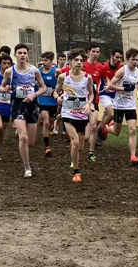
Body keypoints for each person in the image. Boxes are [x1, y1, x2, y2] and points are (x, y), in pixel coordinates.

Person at [2, 43, 48, 177]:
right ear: (15, 55)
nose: (22, 55)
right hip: (18, 106)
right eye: (20, 53)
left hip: (32, 107)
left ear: (27, 55)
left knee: (31, 142)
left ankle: (21, 132)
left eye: (24, 53)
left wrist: (33, 95)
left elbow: (43, 87)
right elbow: (1, 87)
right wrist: (5, 89)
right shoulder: (9, 71)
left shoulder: (34, 70)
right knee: (23, 138)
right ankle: (27, 167)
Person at [55, 49, 96, 183]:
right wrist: (58, 98)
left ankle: (75, 160)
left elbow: (91, 94)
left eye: (81, 60)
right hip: (68, 112)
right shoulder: (63, 77)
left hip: (82, 113)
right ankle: (76, 172)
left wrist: (89, 103)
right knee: (75, 141)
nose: (79, 62)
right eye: (76, 60)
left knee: (81, 147)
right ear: (70, 61)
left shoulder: (87, 78)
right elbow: (56, 91)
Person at [107, 48, 138, 163]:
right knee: (116, 132)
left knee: (133, 130)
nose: (135, 62)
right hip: (119, 105)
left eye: (136, 60)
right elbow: (110, 85)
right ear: (127, 59)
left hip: (130, 105)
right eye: (133, 59)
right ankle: (106, 128)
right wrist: (124, 88)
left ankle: (133, 156)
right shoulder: (122, 71)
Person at [82, 44, 106, 163]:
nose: (96, 54)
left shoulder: (100, 67)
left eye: (97, 52)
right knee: (84, 134)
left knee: (93, 126)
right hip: (81, 101)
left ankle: (91, 153)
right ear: (89, 52)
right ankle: (79, 149)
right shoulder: (82, 65)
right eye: (93, 51)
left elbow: (106, 80)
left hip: (94, 101)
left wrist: (108, 86)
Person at [97, 48, 125, 143]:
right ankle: (100, 131)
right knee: (112, 114)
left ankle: (98, 132)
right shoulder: (104, 67)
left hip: (116, 95)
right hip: (104, 93)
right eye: (117, 57)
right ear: (112, 57)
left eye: (121, 58)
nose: (119, 60)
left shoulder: (122, 68)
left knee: (106, 116)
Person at [37, 51, 59, 157]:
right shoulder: (39, 71)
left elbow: (63, 81)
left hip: (53, 100)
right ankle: (47, 147)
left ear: (51, 61)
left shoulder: (56, 71)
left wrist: (58, 91)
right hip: (42, 99)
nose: (44, 62)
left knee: (50, 122)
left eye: (46, 60)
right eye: (43, 60)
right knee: (46, 123)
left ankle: (47, 124)